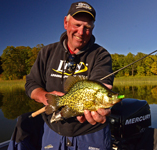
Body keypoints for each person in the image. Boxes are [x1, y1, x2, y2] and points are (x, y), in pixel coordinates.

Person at [8, 1, 114, 150]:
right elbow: (31, 83)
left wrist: (102, 105)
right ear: (66, 22)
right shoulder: (47, 52)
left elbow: (101, 85)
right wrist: (46, 97)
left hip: (91, 132)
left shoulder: (101, 55)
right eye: (77, 25)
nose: (81, 32)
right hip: (53, 131)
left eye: (87, 27)